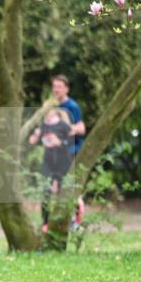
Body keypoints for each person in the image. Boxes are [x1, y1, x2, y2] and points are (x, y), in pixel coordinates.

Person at [29, 107, 73, 231]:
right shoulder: (44, 125)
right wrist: (35, 136)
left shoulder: (63, 125)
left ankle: (68, 221)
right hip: (48, 162)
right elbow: (34, 141)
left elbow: (71, 141)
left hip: (63, 162)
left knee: (62, 194)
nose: (47, 114)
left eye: (49, 111)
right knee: (45, 191)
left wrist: (60, 142)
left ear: (54, 111)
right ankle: (45, 223)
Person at [50, 73, 86, 228]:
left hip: (72, 152)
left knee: (70, 188)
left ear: (67, 89)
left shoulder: (72, 106)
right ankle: (64, 219)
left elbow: (81, 128)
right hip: (59, 154)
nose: (56, 89)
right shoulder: (54, 107)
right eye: (54, 86)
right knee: (57, 188)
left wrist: (69, 129)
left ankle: (77, 221)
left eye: (59, 86)